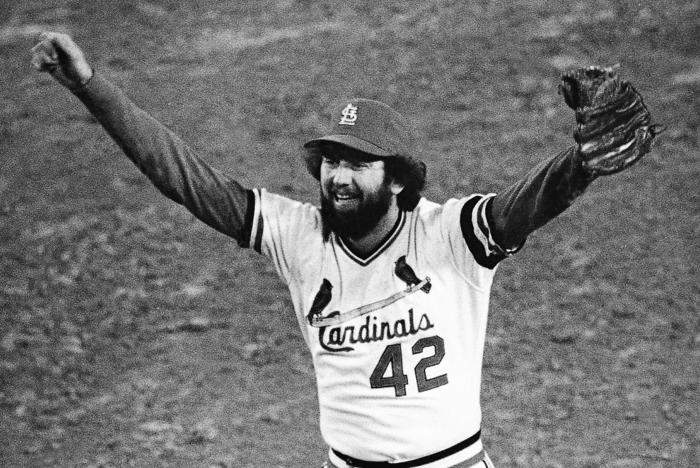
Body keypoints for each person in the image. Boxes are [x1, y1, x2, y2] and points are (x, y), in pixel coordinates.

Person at [30, 32, 656, 468]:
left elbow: (525, 204)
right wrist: (91, 87)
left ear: (401, 178)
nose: (337, 176)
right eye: (331, 160)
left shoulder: (449, 235)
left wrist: (579, 166)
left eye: (358, 163)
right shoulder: (299, 237)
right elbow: (184, 176)